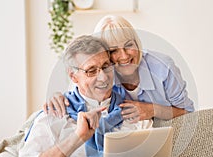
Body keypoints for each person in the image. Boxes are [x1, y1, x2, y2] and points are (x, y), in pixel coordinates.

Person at [14, 35, 177, 157]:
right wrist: (78, 137)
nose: (103, 77)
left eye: (106, 67)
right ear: (73, 76)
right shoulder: (55, 113)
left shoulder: (132, 112)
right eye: (91, 71)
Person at [44, 15, 194, 121]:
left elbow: (188, 113)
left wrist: (152, 110)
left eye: (129, 45)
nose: (123, 56)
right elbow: (80, 92)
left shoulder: (163, 68)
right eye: (113, 50)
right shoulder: (103, 75)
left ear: (137, 43)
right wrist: (57, 97)